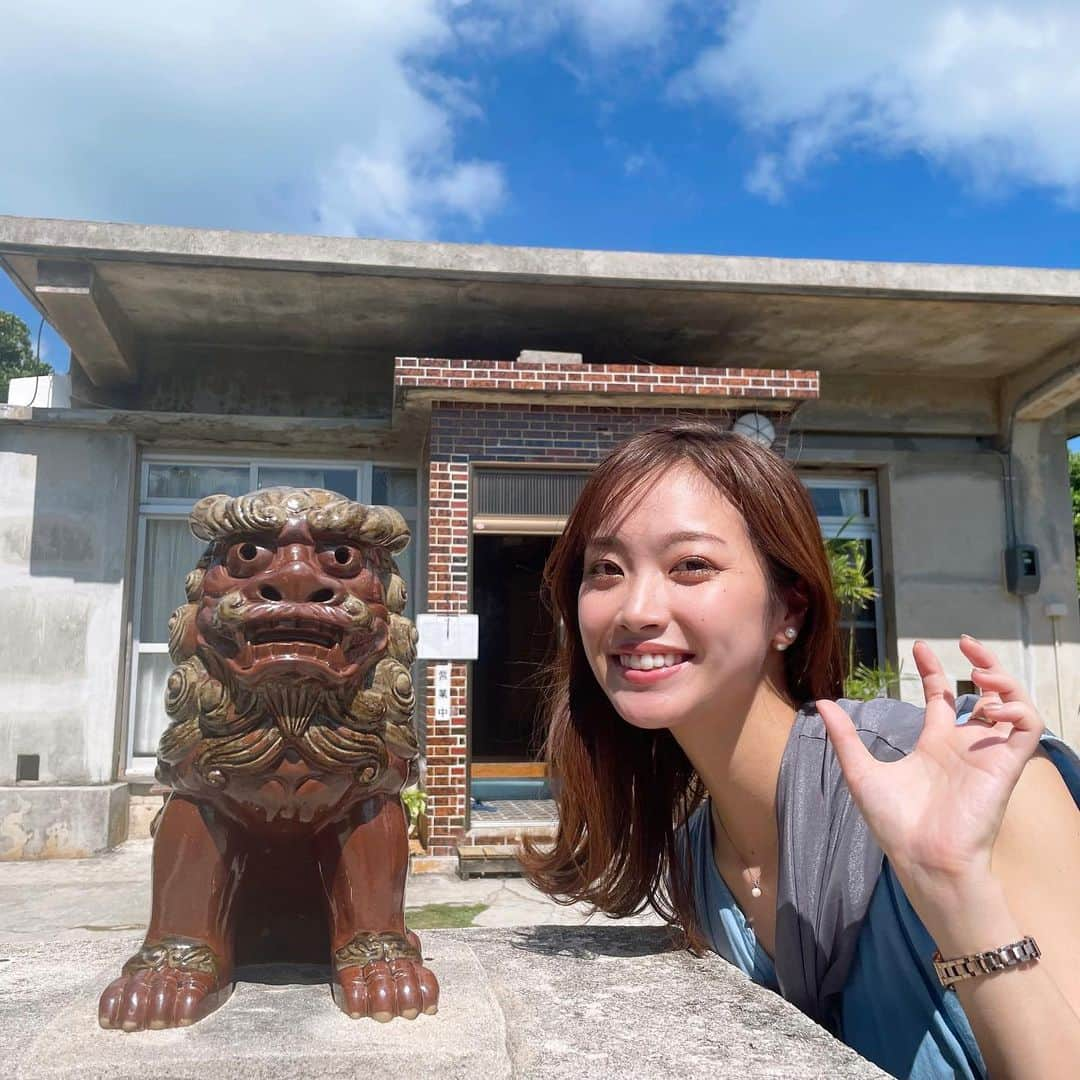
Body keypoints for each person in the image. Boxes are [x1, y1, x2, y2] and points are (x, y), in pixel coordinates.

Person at [522, 421, 1080, 1079]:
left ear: (788, 611)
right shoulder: (697, 862)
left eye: (691, 565)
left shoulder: (981, 782)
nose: (636, 608)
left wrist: (955, 887)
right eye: (606, 569)